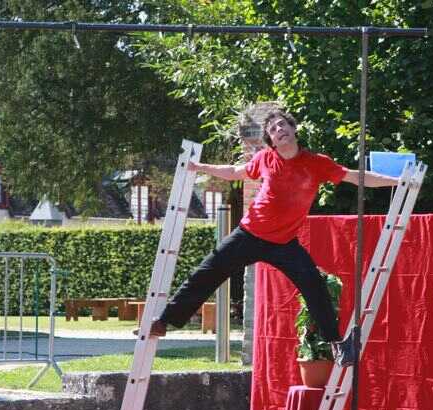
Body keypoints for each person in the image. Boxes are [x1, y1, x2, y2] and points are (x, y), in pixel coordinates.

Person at [148, 110, 398, 367]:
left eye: (283, 124)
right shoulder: (266, 158)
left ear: (293, 129)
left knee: (314, 285)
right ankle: (165, 321)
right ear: (272, 140)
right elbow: (235, 171)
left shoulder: (317, 163)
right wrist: (200, 167)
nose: (280, 129)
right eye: (274, 129)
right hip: (249, 234)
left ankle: (338, 344)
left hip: (284, 243)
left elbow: (355, 176)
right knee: (207, 272)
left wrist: (397, 181)